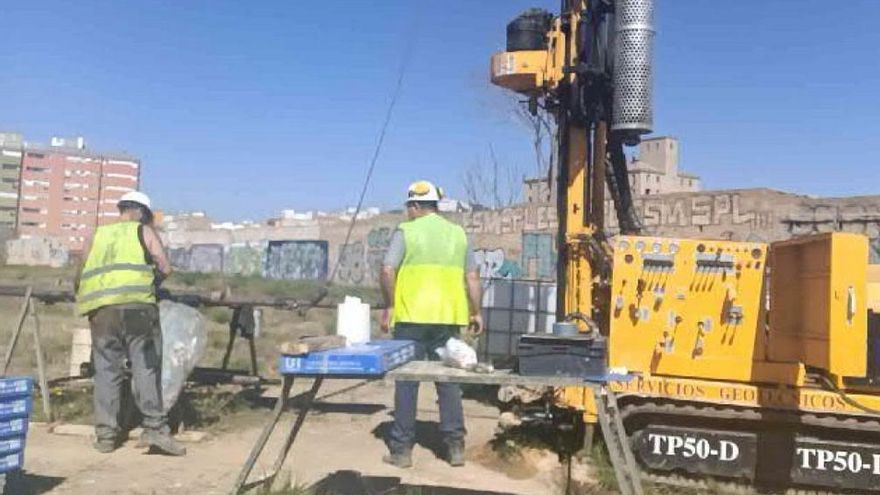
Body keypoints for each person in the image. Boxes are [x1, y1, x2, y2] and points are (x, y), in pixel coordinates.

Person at [380, 180, 483, 468]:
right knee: (448, 381)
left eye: (408, 207)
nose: (408, 212)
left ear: (415, 205)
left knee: (407, 381)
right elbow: (473, 277)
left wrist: (389, 305)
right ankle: (455, 447)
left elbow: (387, 269)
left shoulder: (407, 231)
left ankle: (401, 451)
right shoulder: (458, 234)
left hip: (411, 318)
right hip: (447, 319)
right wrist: (476, 312)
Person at [75, 191, 185, 456]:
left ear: (121, 209)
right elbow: (165, 267)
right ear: (142, 212)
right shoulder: (144, 232)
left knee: (106, 371)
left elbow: (79, 274)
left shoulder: (97, 234)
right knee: (145, 368)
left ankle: (106, 437)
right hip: (138, 310)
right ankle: (155, 430)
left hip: (102, 312)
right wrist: (152, 282)